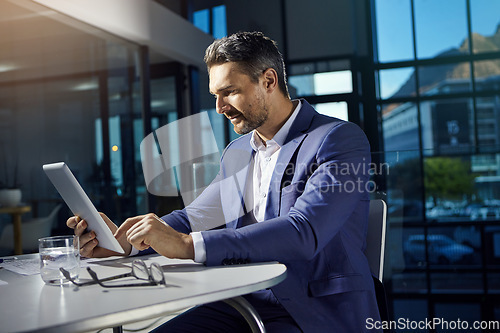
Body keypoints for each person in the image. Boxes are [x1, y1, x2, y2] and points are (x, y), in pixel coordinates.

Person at [67, 31, 381, 332]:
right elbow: (195, 217)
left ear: (268, 81)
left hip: (314, 311)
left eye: (230, 92)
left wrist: (186, 246)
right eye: (216, 95)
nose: (220, 108)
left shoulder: (338, 139)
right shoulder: (238, 151)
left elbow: (303, 231)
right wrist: (129, 242)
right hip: (245, 300)